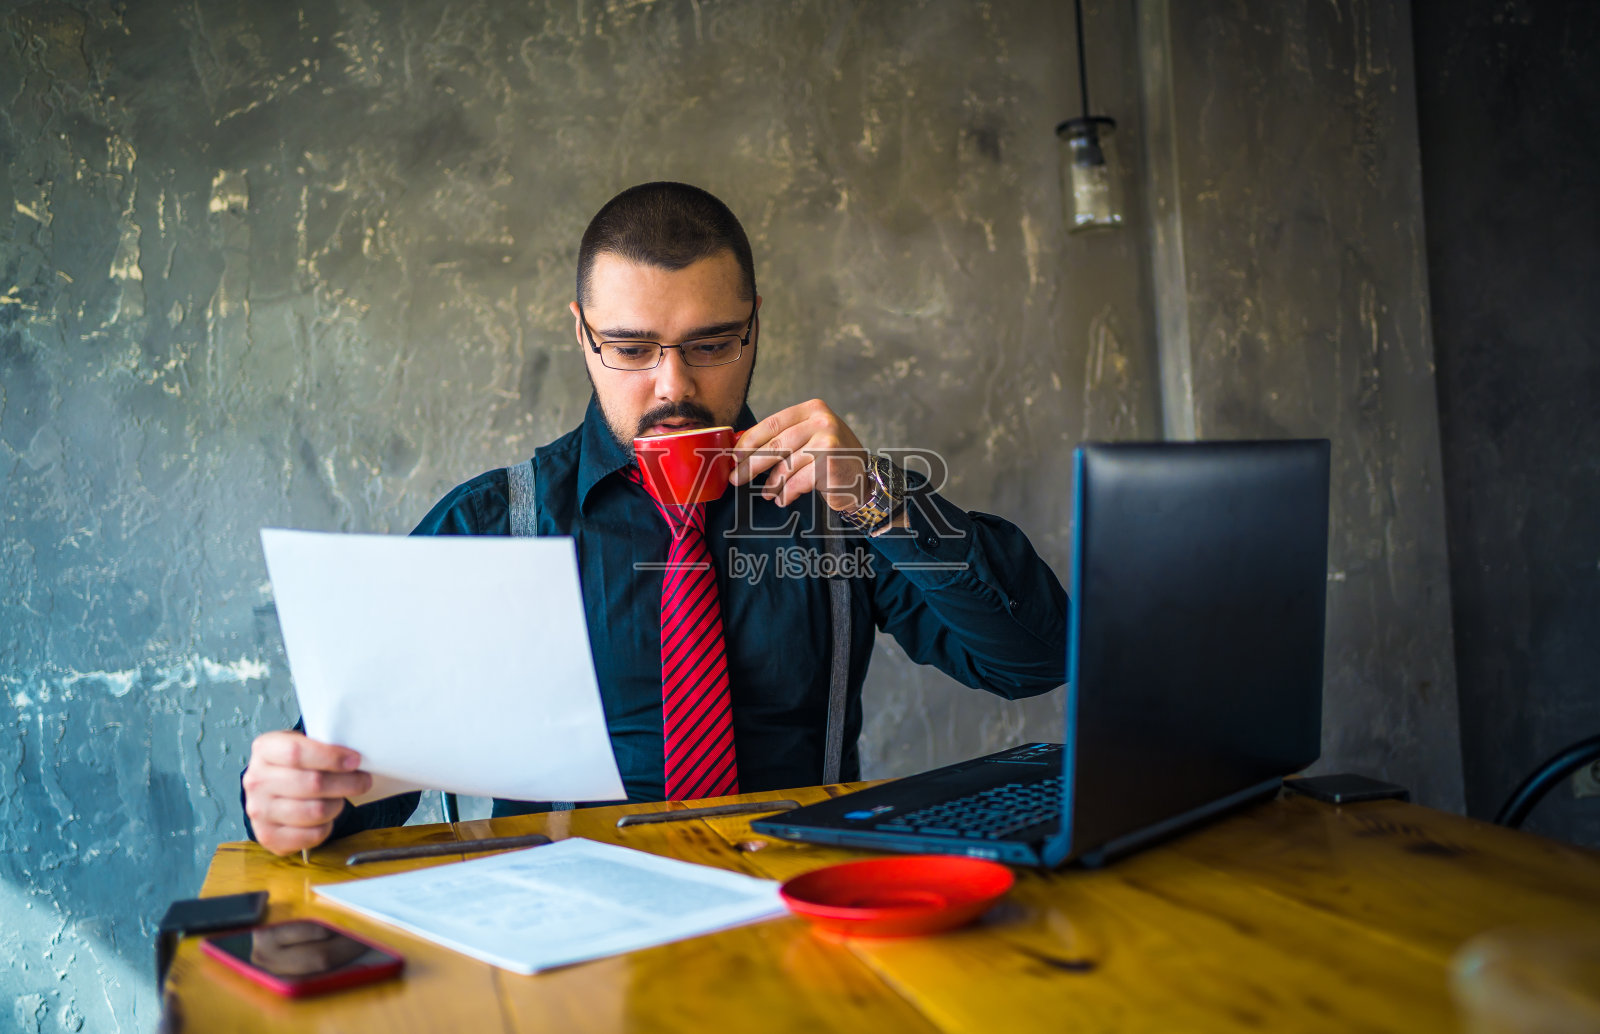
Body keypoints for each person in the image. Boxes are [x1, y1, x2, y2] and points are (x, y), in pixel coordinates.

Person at [241, 182, 1069, 856]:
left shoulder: (839, 504)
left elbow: (1034, 659)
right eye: (632, 349)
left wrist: (880, 497)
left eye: (711, 344)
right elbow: (353, 784)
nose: (673, 386)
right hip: (567, 954)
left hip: (790, 918)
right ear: (581, 332)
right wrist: (298, 800)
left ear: (754, 326)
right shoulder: (491, 525)